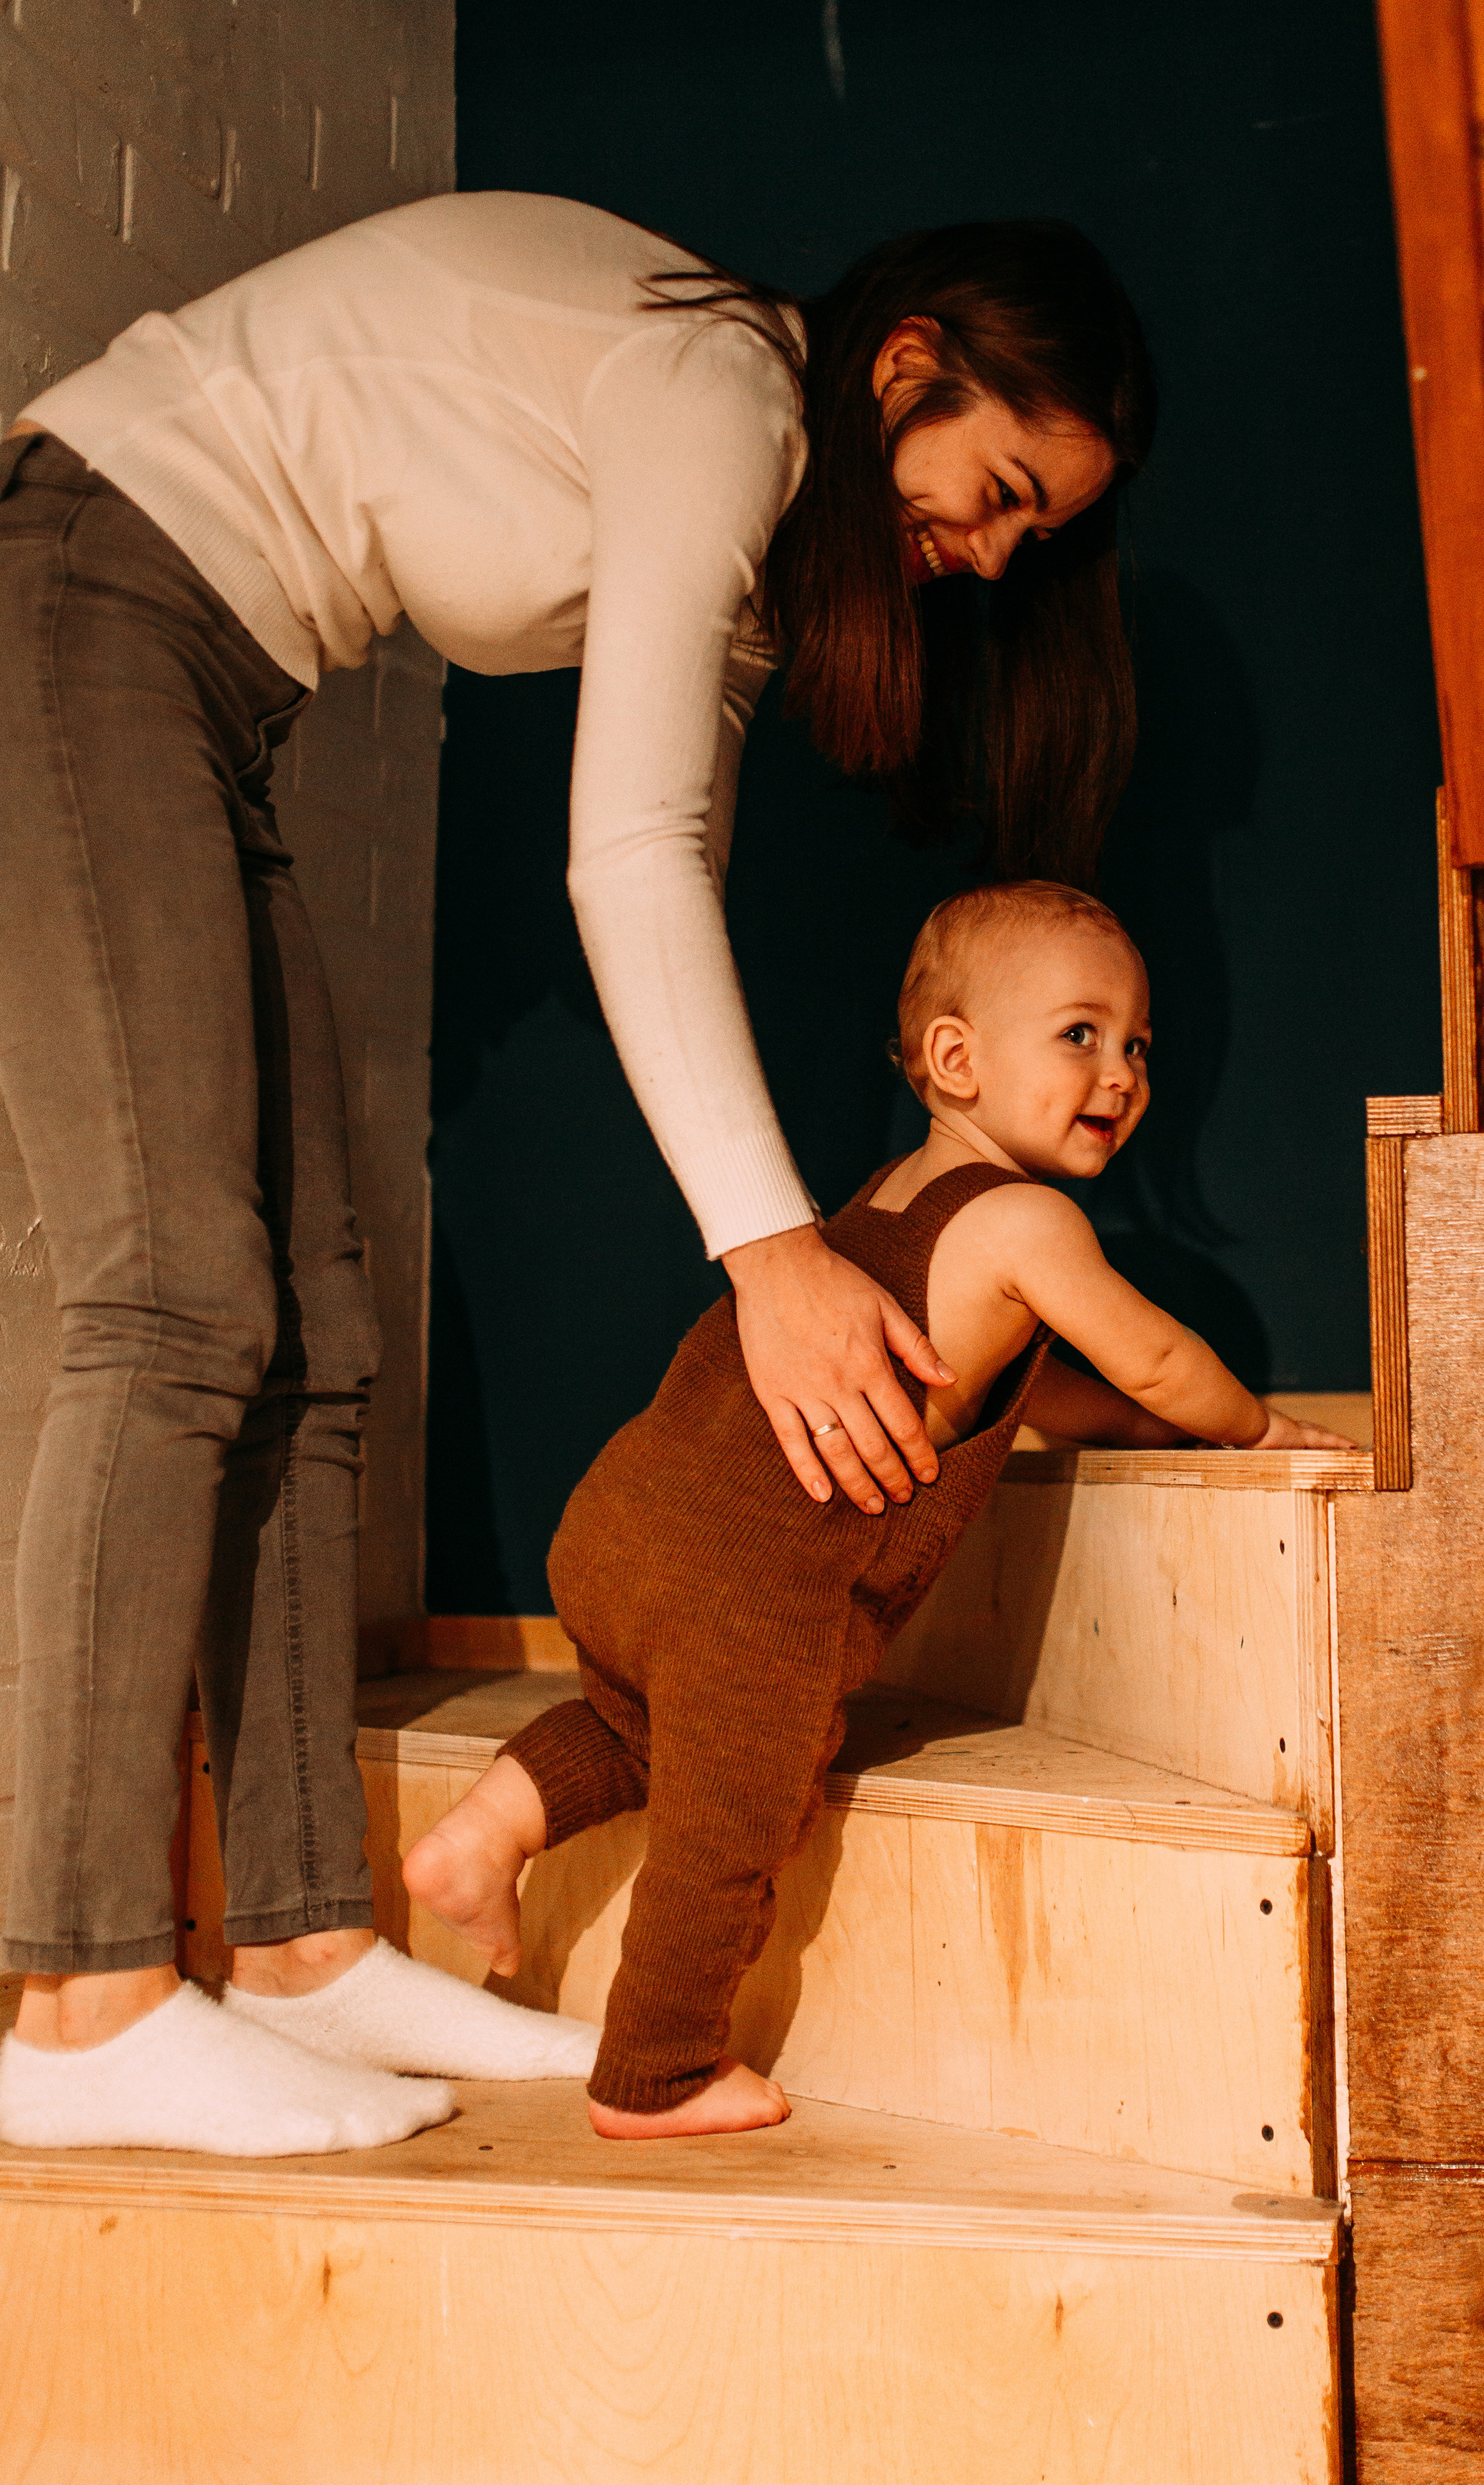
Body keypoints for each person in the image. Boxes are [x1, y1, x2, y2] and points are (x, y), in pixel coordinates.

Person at [0, 198, 1155, 2156]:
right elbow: (615, 854)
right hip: (86, 588)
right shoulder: (724, 387)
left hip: (216, 690)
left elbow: (667, 871)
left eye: (1034, 532)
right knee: (178, 1296)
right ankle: (80, 1998)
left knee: (321, 1331)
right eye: (1002, 484)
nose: (994, 549)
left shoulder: (767, 557)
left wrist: (778, 1240)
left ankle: (295, 1944)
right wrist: (775, 1255)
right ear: (911, 367)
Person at [403, 881, 1354, 2139]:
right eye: (1080, 1034)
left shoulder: (888, 1199)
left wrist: (1134, 1426)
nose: (1120, 1073)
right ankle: (659, 2068)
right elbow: (1157, 1361)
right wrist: (1258, 1426)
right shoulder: (1031, 1219)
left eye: (1138, 1046)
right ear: (956, 1059)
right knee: (729, 1818)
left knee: (640, 1730)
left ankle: (478, 1838)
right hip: (747, 1586)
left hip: (623, 1523)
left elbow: (1036, 1386)